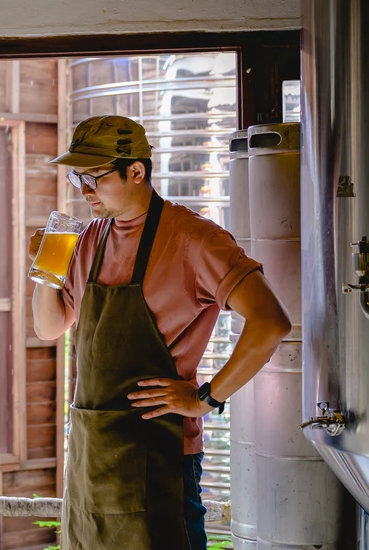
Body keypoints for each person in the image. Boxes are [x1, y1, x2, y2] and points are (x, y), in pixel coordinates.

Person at [29, 115, 291, 550]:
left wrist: (205, 398)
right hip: (92, 457)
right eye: (79, 178)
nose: (85, 191)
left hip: (160, 455)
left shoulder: (194, 239)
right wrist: (46, 273)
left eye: (95, 177)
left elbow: (271, 322)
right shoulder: (89, 238)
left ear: (136, 171)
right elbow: (49, 326)